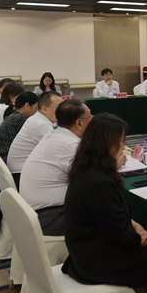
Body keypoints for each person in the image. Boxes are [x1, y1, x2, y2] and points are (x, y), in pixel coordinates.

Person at [61, 113, 147, 293]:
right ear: (106, 144)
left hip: (84, 253)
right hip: (99, 262)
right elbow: (124, 238)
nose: (123, 147)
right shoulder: (100, 183)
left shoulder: (85, 169)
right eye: (121, 142)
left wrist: (134, 225)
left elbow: (110, 218)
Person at [20, 99, 92, 236]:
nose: (92, 121)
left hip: (37, 213)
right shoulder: (69, 144)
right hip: (49, 218)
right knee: (106, 220)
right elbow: (92, 177)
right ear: (79, 123)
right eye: (90, 117)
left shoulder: (55, 134)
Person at [7, 91, 63, 188]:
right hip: (21, 176)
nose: (63, 111)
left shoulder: (38, 119)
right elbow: (60, 148)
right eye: (59, 107)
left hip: (22, 172)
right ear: (44, 109)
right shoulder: (41, 124)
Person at [0, 92, 39, 165]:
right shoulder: (20, 119)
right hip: (8, 161)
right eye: (36, 108)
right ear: (27, 105)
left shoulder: (14, 116)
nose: (36, 112)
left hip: (3, 159)